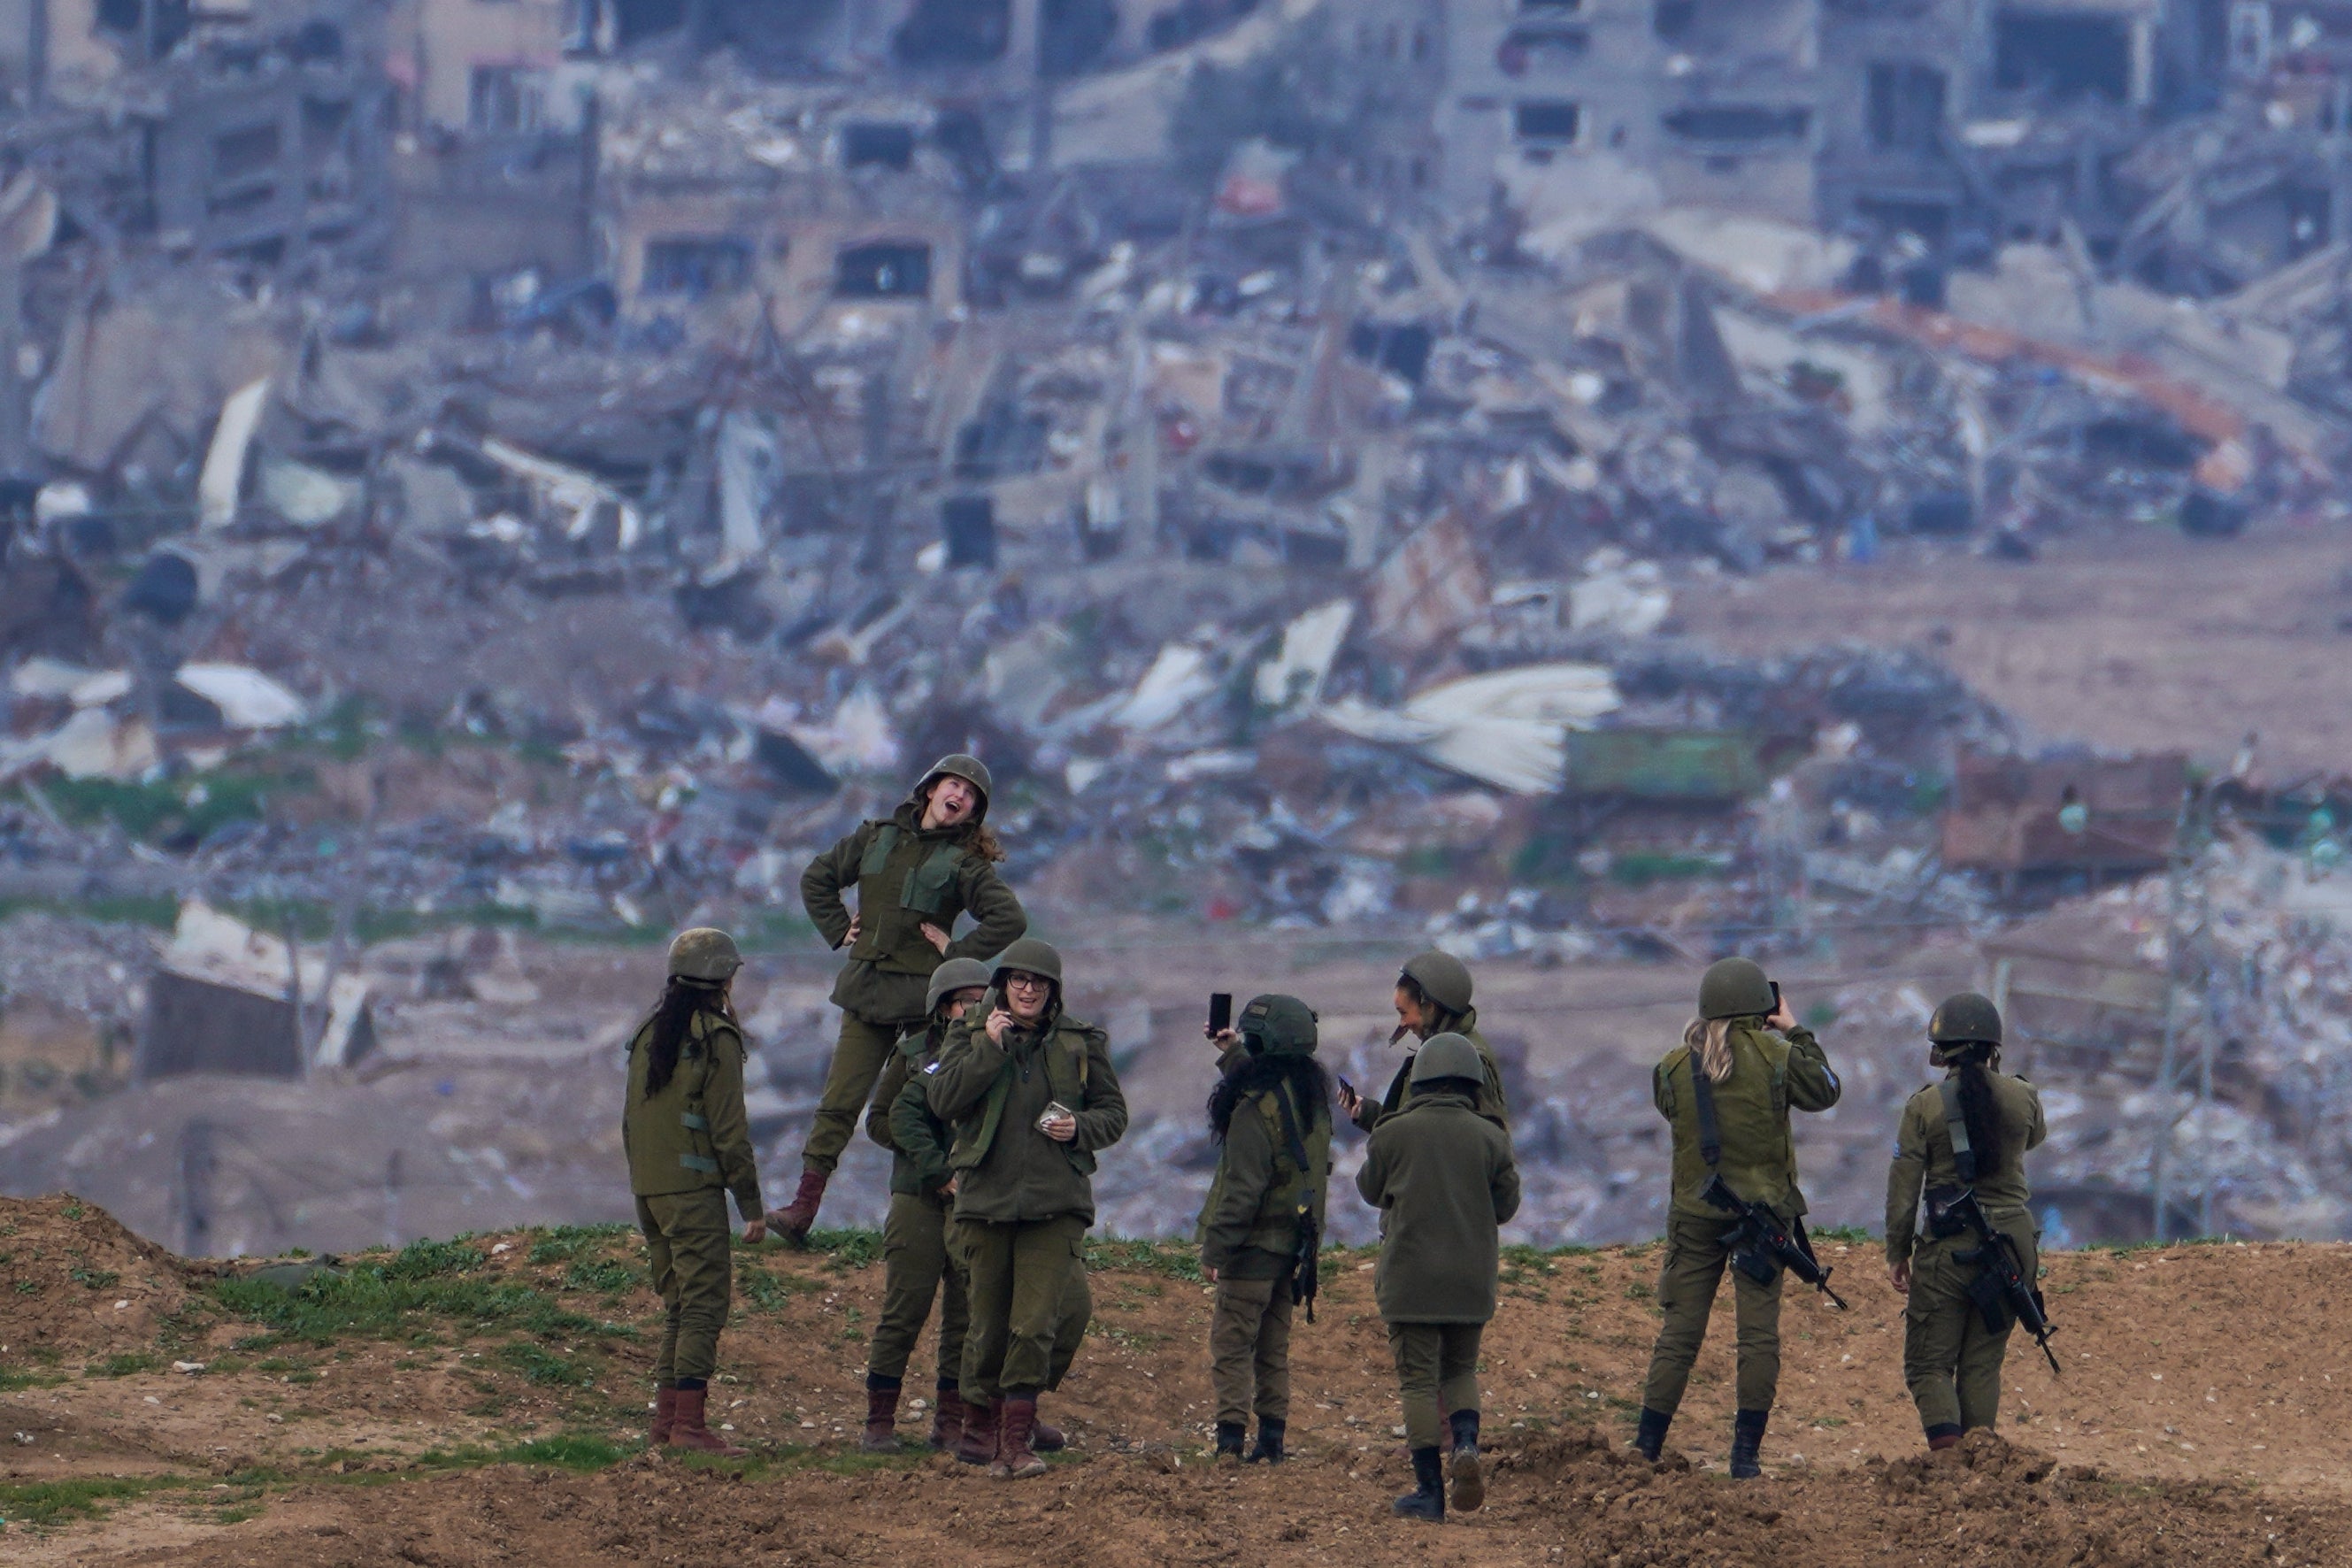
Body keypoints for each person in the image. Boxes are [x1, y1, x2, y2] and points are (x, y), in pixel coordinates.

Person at [775, 754, 1028, 1241]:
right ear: (931, 789)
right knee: (839, 1105)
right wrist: (837, 929)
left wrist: (955, 954)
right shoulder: (876, 836)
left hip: (924, 1006)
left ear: (973, 813)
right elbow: (817, 878)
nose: (961, 796)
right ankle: (803, 1208)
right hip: (867, 994)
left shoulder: (964, 865)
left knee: (925, 1105)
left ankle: (946, 1208)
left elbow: (1009, 920)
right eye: (954, 785)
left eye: (971, 795)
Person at [1633, 957, 1841, 1479]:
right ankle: (1744, 1458)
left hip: (1695, 1212)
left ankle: (1645, 1446)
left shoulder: (1673, 1066)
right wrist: (1796, 1030)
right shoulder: (1779, 1056)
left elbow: (1668, 1108)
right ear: (1759, 1008)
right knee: (1757, 1336)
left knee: (1679, 1331)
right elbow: (1827, 1090)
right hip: (1762, 1218)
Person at [927, 936, 1127, 1478]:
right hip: (984, 1203)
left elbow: (1113, 1113)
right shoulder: (969, 1034)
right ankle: (980, 1426)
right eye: (1018, 979)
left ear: (1054, 990)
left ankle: (1015, 1440)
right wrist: (989, 1049)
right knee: (986, 1327)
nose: (1028, 989)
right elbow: (943, 1101)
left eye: (1039, 982)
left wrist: (1079, 1127)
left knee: (1036, 1325)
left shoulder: (1080, 1041)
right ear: (1003, 986)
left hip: (1054, 1205)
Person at [1356, 1034, 1520, 1523]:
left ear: (1421, 1079)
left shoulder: (1394, 1132)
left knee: (1418, 1383)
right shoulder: (1492, 1137)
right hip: (1471, 1279)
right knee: (1460, 1371)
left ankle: (1429, 1493)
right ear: (1471, 1082)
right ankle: (1465, 1443)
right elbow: (1507, 1207)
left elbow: (1369, 1190)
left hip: (1411, 1279)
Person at [622, 928, 765, 1456]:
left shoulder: (649, 1031)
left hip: (650, 1190)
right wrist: (750, 1206)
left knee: (680, 1305)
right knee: (704, 1306)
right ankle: (689, 1427)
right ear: (725, 978)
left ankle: (666, 1424)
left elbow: (630, 1121)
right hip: (692, 1192)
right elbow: (729, 1132)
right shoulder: (715, 1038)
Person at [1887, 992, 2048, 1451]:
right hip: (2014, 1245)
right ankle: (1980, 1467)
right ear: (1993, 1048)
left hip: (1949, 1247)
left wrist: (1898, 1253)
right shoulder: (2024, 1098)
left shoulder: (1924, 1107)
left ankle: (1950, 1466)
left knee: (1929, 1365)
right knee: (1982, 1364)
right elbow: (2033, 1139)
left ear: (1941, 1050)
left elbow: (1904, 1190)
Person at [858, 955, 992, 1452]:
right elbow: (880, 1120)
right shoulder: (913, 1054)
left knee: (966, 1313)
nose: (979, 1010)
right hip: (917, 1194)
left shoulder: (994, 1051)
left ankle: (950, 1421)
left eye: (985, 1001)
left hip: (973, 1198)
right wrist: (929, 1161)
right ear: (945, 1006)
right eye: (970, 1002)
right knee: (904, 1308)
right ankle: (880, 1422)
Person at [1196, 993, 1332, 1465]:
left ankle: (1230, 1442)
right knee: (1273, 1348)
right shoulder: (1310, 1096)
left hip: (1251, 1250)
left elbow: (1241, 1190)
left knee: (1232, 1346)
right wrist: (1234, 1053)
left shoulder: (1254, 1107)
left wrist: (1215, 1251)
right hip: (1292, 1250)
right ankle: (1271, 1442)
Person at [1338, 950, 1508, 1134]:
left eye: (1404, 1013)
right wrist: (1368, 1114)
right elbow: (1419, 1131)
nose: (1402, 1023)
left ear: (1429, 1008)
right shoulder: (1448, 1052)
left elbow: (1432, 1144)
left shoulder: (1459, 1063)